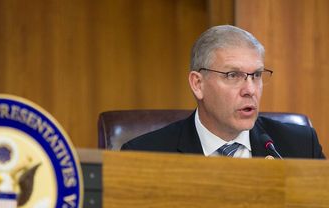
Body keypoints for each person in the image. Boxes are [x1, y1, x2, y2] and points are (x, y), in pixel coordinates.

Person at [121, 25, 325, 159]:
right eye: (232, 75)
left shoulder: (301, 147)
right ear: (197, 84)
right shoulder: (146, 154)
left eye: (256, 75)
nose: (250, 90)